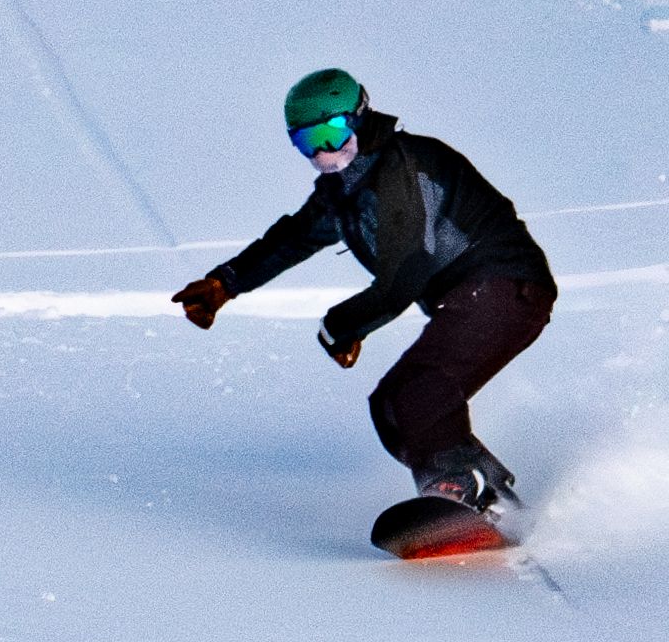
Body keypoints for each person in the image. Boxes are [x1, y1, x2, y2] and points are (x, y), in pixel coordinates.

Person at [175, 67, 555, 522]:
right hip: (471, 298)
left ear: (359, 118)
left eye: (333, 134)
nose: (324, 153)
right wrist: (224, 283)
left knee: (419, 391)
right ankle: (485, 492)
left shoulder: (402, 168)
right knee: (391, 407)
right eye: (306, 142)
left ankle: (458, 487)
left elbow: (405, 273)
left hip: (504, 286)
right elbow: (294, 237)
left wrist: (342, 325)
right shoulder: (344, 191)